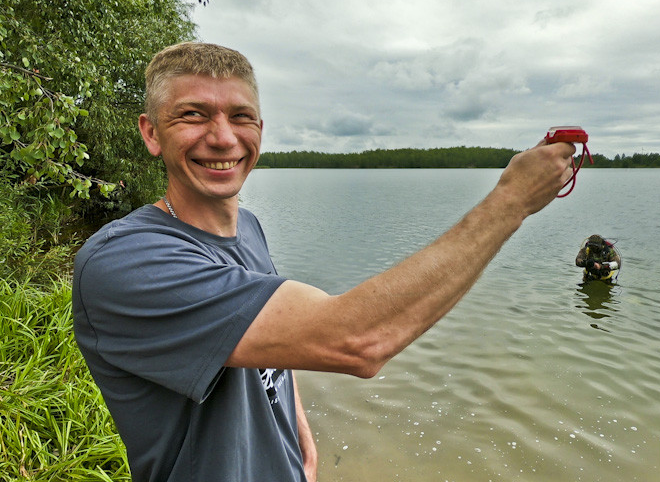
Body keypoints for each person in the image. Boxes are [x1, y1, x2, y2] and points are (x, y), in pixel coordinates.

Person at [72, 42, 577, 482]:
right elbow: (356, 340)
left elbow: (269, 341)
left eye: (241, 116)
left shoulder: (248, 227)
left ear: (260, 130)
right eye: (193, 114)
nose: (224, 137)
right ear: (151, 132)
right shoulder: (125, 264)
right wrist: (510, 202)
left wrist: (297, 433)